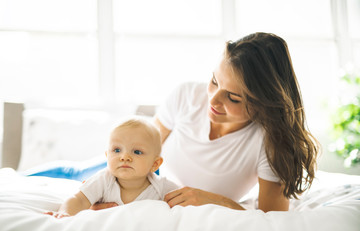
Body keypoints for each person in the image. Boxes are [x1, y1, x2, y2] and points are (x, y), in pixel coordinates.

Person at [154, 32, 320, 212]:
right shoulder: (186, 96)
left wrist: (213, 200)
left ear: (264, 104)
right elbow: (139, 148)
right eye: (214, 81)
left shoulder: (271, 144)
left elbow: (272, 219)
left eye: (233, 98)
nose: (213, 100)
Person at [45, 118, 179, 218]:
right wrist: (65, 213)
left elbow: (185, 208)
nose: (124, 157)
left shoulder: (163, 188)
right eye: (116, 150)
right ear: (107, 156)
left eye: (137, 152)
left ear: (155, 164)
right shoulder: (104, 180)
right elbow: (79, 200)